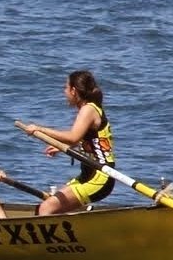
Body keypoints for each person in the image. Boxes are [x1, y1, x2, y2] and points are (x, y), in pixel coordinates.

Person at [21, 70, 115, 215]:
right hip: (88, 174)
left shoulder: (88, 109)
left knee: (47, 208)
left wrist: (38, 129)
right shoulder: (89, 108)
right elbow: (90, 141)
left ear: (73, 90)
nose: (64, 92)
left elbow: (73, 137)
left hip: (100, 175)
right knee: (47, 206)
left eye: (65, 88)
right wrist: (63, 147)